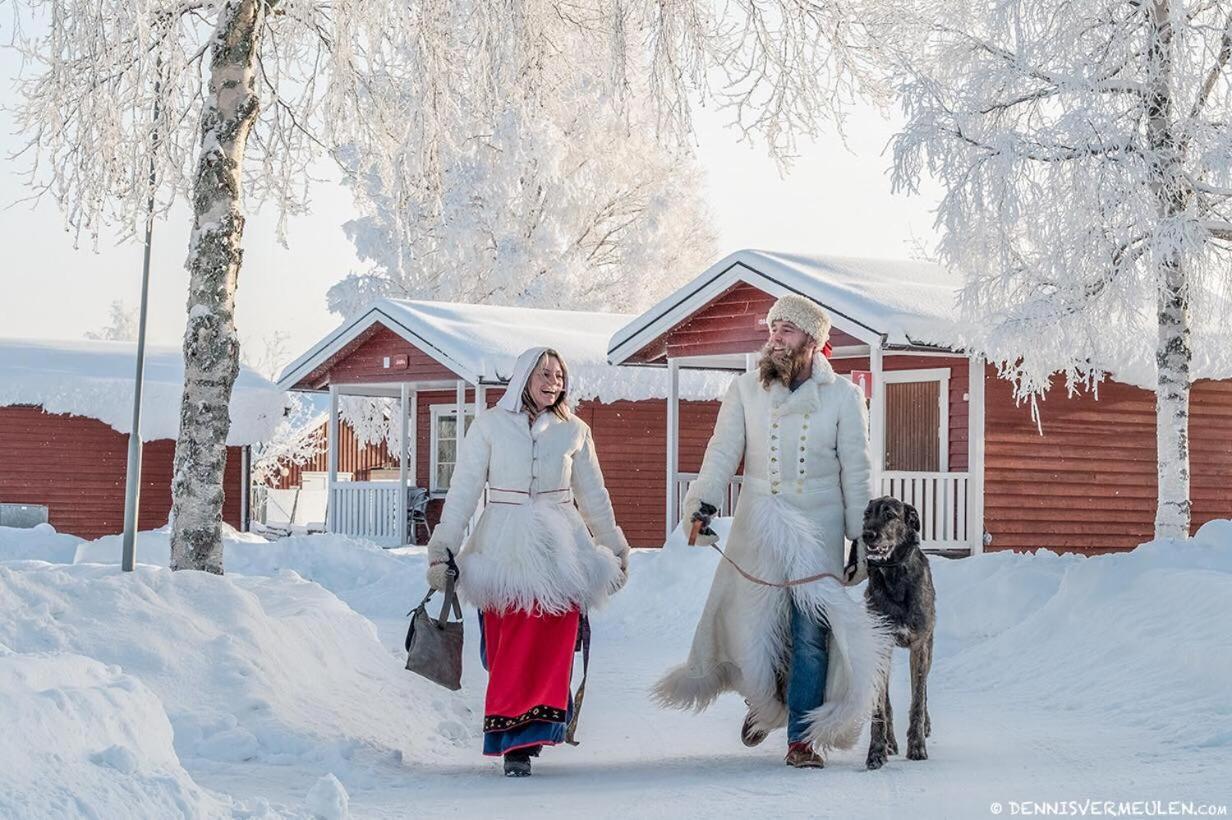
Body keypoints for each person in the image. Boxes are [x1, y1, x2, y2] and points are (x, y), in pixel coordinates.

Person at [653, 294, 890, 768]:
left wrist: (861, 539)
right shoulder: (745, 390)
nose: (775, 336)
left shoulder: (843, 396)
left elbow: (856, 472)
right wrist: (701, 504)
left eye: (786, 329)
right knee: (754, 626)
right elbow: (722, 452)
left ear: (812, 339)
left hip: (818, 527)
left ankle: (800, 738)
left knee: (809, 633)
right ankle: (763, 705)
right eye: (772, 327)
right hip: (759, 522)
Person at [425, 346, 630, 777]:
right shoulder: (489, 427)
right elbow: (463, 492)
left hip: (561, 548)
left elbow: (594, 496)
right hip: (502, 546)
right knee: (506, 646)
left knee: (552, 643)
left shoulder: (574, 430)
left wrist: (614, 547)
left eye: (560, 374)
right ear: (523, 377)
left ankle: (527, 739)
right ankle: (512, 730)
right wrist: (442, 549)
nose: (554, 381)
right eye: (545, 373)